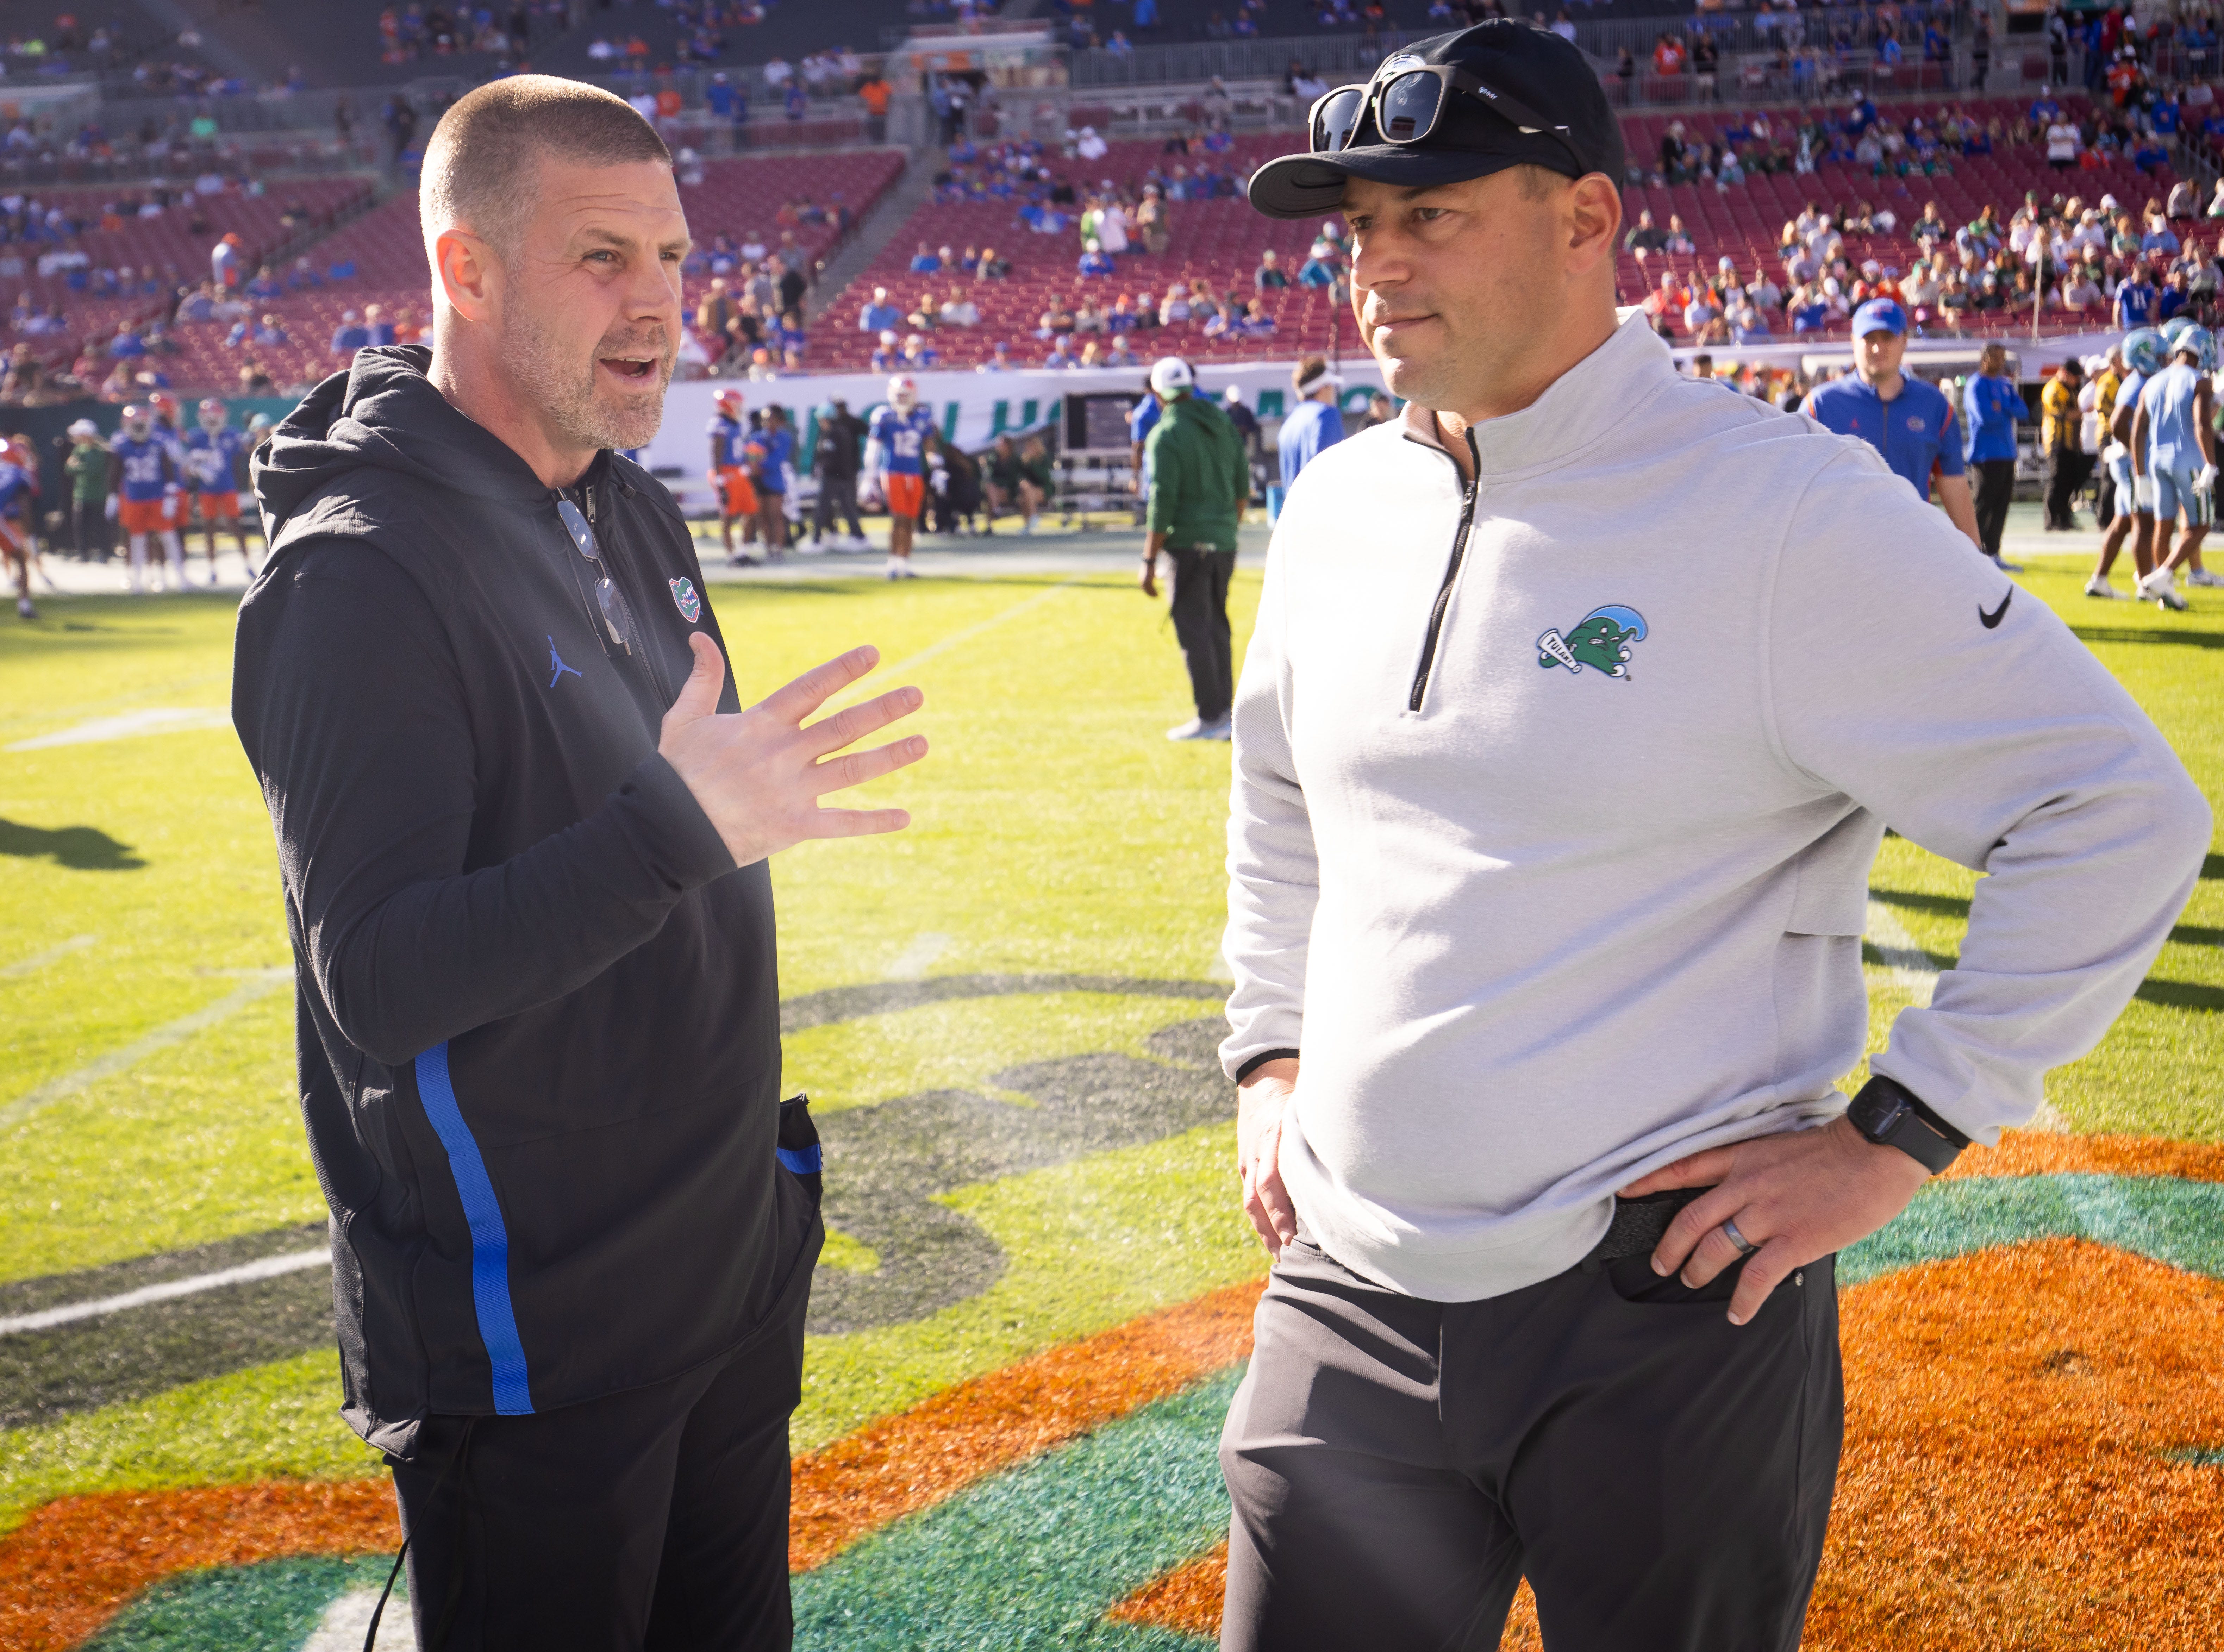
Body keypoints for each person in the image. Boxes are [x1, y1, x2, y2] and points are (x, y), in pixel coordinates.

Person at [1226, 21, 2212, 1651]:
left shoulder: (1782, 509)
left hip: (1664, 1306)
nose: (1378, 265)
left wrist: (1899, 1132)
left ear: (1588, 220)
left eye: (1433, 212)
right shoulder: (1336, 503)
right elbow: (1276, 797)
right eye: (1360, 227)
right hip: (1349, 1280)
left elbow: (2113, 811)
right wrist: (1268, 1052)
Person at [230, 76, 929, 1652]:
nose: (661, 304)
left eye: (675, 258)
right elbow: (381, 977)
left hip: (725, 1269)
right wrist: (681, 825)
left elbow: (659, 855)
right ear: (464, 270)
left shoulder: (627, 506)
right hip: (532, 1333)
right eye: (602, 257)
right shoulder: (359, 573)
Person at [1800, 300, 1983, 551]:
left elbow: (1955, 487)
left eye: (1887, 337)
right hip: (1838, 557)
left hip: (1913, 554)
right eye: (1869, 338)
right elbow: (1796, 488)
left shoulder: (1935, 406)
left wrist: (1976, 560)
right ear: (1853, 341)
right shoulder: (1819, 406)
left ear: (1905, 340)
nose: (1878, 347)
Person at [1138, 355, 1248, 741]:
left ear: (1157, 394)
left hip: (1186, 544)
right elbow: (1241, 489)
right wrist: (1224, 530)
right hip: (1224, 542)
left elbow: (1161, 500)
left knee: (1194, 631)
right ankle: (1226, 715)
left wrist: (1149, 559)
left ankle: (1211, 716)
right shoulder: (1224, 426)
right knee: (1217, 626)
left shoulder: (1165, 435)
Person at [2129, 323, 2216, 609]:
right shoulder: (2199, 380)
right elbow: (2202, 423)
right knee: (2201, 525)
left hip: (2157, 461)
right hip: (2187, 458)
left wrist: (2140, 473)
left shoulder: (2153, 380)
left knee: (2163, 526)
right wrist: (2211, 464)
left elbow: (2137, 431)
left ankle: (2164, 593)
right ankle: (2163, 575)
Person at [2093, 326, 2166, 598]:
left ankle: (2099, 580)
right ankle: (2147, 584)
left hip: (2129, 463)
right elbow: (2118, 423)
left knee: (2123, 523)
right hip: (2134, 465)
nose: (2164, 359)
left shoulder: (2137, 380)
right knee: (2144, 524)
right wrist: (2137, 454)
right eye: (2159, 355)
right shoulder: (2139, 384)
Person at [1962, 342, 2026, 571]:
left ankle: (1993, 552)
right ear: (1984, 358)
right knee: (1983, 504)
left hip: (2007, 453)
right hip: (1986, 455)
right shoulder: (1976, 385)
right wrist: (2005, 409)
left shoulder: (2005, 385)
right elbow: (1985, 417)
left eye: (2002, 356)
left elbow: (2023, 411)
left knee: (2001, 505)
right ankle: (1971, 553)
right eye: (1995, 356)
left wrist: (2003, 406)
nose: (2000, 361)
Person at [111, 400, 187, 592]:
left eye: (141, 423)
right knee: (137, 540)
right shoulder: (122, 445)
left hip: (157, 497)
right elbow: (115, 472)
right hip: (135, 498)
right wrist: (112, 496)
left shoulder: (158, 442)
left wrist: (170, 496)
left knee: (168, 537)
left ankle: (180, 577)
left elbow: (169, 471)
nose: (138, 427)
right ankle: (136, 580)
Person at [865, 374, 933, 576]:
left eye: (906, 396)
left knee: (911, 519)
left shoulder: (923, 417)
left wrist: (937, 467)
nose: (902, 400)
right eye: (899, 395)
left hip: (915, 473)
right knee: (899, 517)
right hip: (893, 472)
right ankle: (893, 562)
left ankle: (905, 562)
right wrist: (870, 476)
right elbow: (873, 448)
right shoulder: (884, 416)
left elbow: (929, 444)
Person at [183, 397, 254, 580]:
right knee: (209, 528)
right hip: (207, 490)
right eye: (209, 417)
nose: (213, 420)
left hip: (228, 488)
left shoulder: (232, 435)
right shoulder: (197, 437)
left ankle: (248, 564)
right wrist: (199, 470)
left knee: (235, 526)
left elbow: (238, 464)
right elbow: (188, 465)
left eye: (215, 416)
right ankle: (212, 568)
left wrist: (240, 490)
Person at [1276, 355, 1344, 499]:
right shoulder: (1326, 415)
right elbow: (1331, 475)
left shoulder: (1289, 423)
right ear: (1322, 387)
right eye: (1331, 386)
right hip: (1321, 515)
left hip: (1293, 517)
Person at [706, 386, 761, 564]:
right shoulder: (719, 424)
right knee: (728, 516)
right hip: (725, 472)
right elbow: (716, 452)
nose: (739, 407)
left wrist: (746, 464)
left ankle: (742, 552)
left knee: (751, 510)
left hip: (737, 471)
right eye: (736, 404)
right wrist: (720, 479)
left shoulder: (733, 424)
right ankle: (732, 556)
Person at [2039, 357, 2090, 531]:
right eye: (2075, 376)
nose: (2078, 380)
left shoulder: (2070, 389)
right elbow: (2063, 415)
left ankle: (2064, 518)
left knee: (2069, 481)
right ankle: (2051, 520)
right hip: (2057, 441)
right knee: (2057, 480)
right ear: (2065, 374)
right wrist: (2086, 412)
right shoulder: (2053, 390)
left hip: (2071, 443)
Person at [811, 398, 867, 549]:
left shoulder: (837, 433)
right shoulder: (828, 433)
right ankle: (859, 537)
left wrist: (838, 474)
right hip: (837, 477)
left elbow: (840, 458)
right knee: (846, 508)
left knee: (824, 508)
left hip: (836, 477)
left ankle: (816, 541)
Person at [745, 403, 794, 557]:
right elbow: (751, 458)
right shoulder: (757, 437)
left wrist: (760, 464)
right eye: (765, 419)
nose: (767, 422)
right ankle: (768, 547)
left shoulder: (784, 438)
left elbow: (776, 460)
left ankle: (778, 548)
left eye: (771, 419)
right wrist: (756, 464)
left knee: (776, 516)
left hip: (775, 482)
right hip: (759, 482)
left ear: (779, 421)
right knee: (763, 517)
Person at [64, 418, 111, 563]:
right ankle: (83, 554)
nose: (76, 438)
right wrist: (78, 466)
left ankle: (105, 553)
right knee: (80, 526)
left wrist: (79, 466)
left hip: (98, 495)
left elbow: (94, 470)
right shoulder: (78, 449)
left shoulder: (101, 451)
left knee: (100, 525)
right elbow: (68, 468)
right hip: (81, 495)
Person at [984, 432, 1045, 533]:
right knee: (991, 489)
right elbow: (990, 476)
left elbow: (1040, 478)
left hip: (1016, 492)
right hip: (1000, 491)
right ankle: (994, 515)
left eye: (1002, 444)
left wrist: (1032, 462)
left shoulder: (1019, 460)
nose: (999, 447)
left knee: (1026, 491)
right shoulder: (993, 459)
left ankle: (1031, 520)